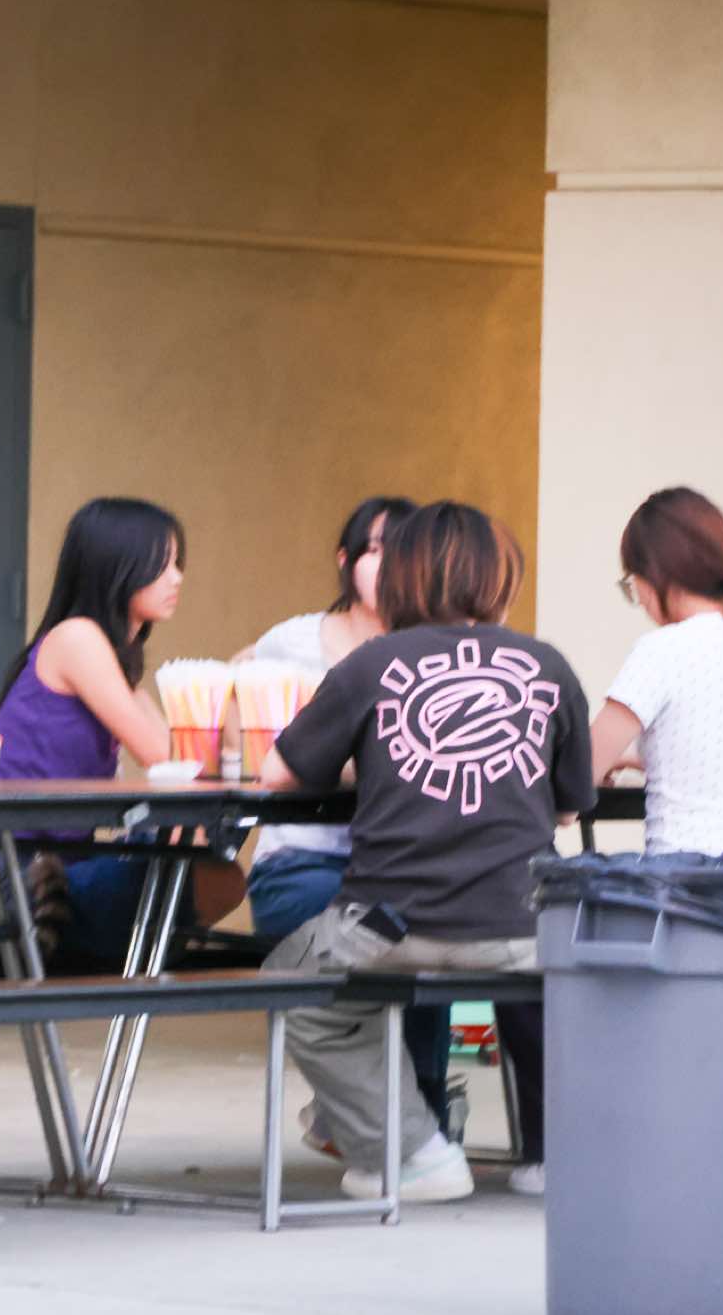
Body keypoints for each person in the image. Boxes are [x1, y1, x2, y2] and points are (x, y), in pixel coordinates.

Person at [261, 501, 593, 1203]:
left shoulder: (370, 664)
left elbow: (277, 774)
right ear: (499, 578)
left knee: (291, 985)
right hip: (522, 925)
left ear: (403, 577)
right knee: (579, 985)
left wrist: (375, 766)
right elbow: (567, 806)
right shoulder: (549, 666)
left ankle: (413, 1150)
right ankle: (563, 1157)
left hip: (389, 924)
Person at [0, 497, 245, 965]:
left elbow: (186, 769)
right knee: (213, 875)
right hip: (21, 884)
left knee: (208, 859)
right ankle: (142, 967)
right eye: (163, 564)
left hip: (65, 869)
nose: (176, 578)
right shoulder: (76, 639)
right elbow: (167, 761)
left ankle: (143, 965)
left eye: (178, 564)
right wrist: (226, 690)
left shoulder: (117, 669)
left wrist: (231, 698)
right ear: (117, 567)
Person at [234, 496, 414, 940]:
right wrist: (252, 756)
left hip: (398, 867)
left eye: (404, 550)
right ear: (345, 559)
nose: (390, 565)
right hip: (301, 861)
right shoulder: (295, 641)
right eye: (376, 550)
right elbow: (228, 682)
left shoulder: (428, 653)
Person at [588, 487, 723, 845]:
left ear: (655, 576)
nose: (640, 602)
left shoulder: (662, 651)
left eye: (633, 586)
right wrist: (638, 758)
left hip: (681, 875)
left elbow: (576, 779)